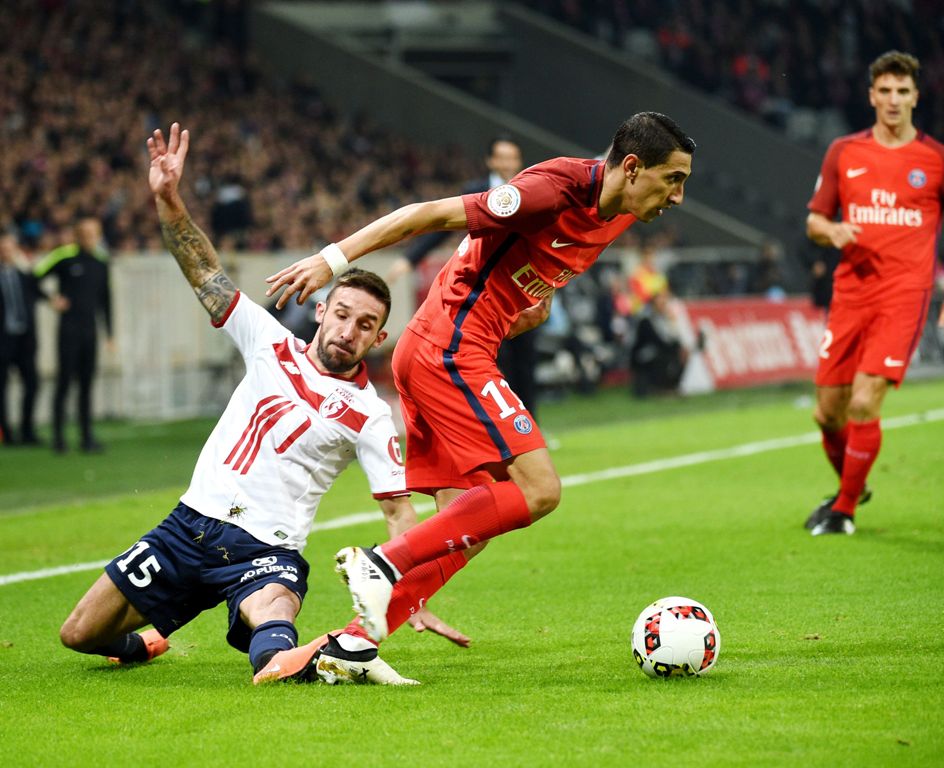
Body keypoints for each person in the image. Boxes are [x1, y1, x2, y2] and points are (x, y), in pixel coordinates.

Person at [264, 111, 695, 667]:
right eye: (674, 179)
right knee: (539, 490)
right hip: (450, 348)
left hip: (444, 348)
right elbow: (427, 215)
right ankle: (386, 562)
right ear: (632, 168)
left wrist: (531, 302)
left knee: (467, 525)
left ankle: (349, 645)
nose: (679, 196)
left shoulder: (621, 212)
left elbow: (530, 266)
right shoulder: (548, 191)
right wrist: (332, 260)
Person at [59, 123, 446, 687]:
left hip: (266, 548)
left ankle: (301, 658)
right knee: (78, 634)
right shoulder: (268, 341)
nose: (349, 330)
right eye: (341, 315)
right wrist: (168, 199)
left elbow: (397, 512)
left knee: (271, 627)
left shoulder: (371, 413)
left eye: (366, 325)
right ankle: (148, 642)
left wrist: (413, 593)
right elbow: (204, 271)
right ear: (320, 312)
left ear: (378, 338)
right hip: (187, 528)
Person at [804, 51, 944, 536]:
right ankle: (851, 485)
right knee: (827, 412)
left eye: (903, 91)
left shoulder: (938, 160)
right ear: (871, 96)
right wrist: (832, 232)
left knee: (865, 402)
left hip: (904, 295)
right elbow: (815, 219)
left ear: (916, 97)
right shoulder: (844, 151)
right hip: (850, 294)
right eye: (885, 90)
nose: (894, 100)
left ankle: (843, 511)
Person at [386, 137, 544, 419]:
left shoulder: (532, 190)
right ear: (491, 161)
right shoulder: (476, 191)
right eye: (503, 158)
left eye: (513, 158)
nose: (509, 164)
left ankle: (530, 427)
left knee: (526, 361)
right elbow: (442, 225)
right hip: (485, 292)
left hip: (523, 290)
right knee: (495, 360)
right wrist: (409, 259)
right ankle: (498, 423)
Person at [33, 217, 114, 453]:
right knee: (64, 383)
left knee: (87, 385)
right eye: (86, 233)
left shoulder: (101, 262)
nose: (90, 238)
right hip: (68, 331)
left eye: (94, 234)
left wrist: (109, 333)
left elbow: (106, 300)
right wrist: (51, 299)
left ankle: (87, 438)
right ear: (78, 235)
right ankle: (58, 438)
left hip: (90, 332)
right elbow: (34, 277)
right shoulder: (64, 257)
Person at [0, 232, 44, 445]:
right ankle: (6, 433)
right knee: (2, 388)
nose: (6, 253)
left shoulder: (23, 274)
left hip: (25, 339)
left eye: (9, 248)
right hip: (3, 339)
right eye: (3, 249)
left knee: (32, 384)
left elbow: (38, 288)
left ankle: (28, 430)